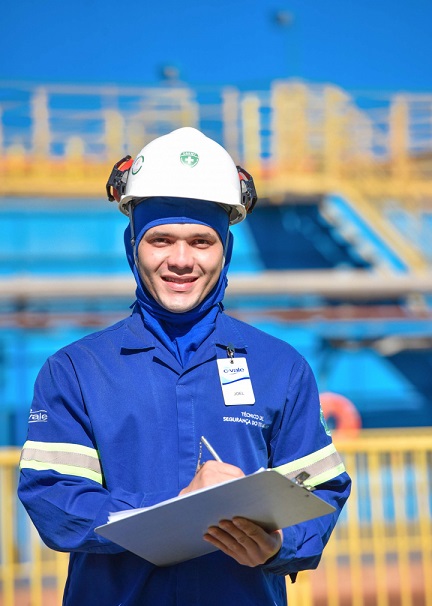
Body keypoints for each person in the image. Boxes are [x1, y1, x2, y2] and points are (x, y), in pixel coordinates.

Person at [18, 127, 351, 606]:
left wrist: (281, 543)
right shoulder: (76, 371)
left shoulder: (281, 368)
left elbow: (321, 490)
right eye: (161, 240)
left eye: (200, 241)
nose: (180, 260)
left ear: (225, 250)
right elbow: (54, 500)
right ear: (132, 246)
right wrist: (175, 510)